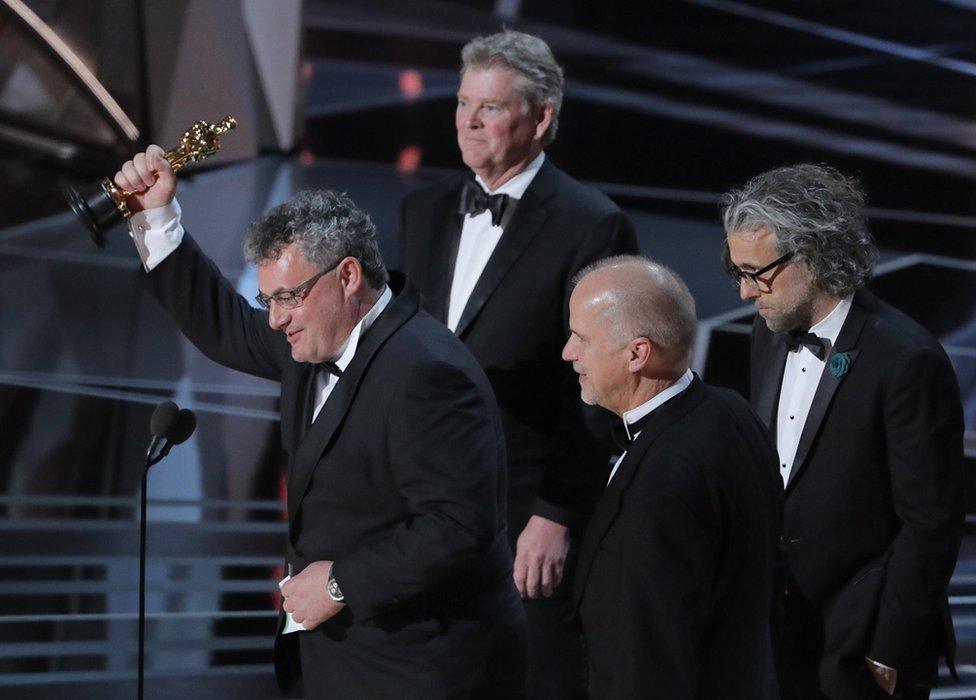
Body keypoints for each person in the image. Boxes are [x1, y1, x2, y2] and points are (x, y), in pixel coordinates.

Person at [113, 147, 526, 698]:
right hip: (340, 659)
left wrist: (337, 583)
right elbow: (224, 324)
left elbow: (456, 527)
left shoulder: (427, 374)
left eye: (287, 297)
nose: (276, 318)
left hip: (419, 668)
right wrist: (157, 217)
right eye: (267, 299)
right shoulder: (310, 339)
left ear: (348, 276)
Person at [399, 30, 638, 697]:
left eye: (491, 107)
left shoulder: (591, 224)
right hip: (426, 506)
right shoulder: (425, 210)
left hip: (526, 513)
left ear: (542, 118)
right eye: (463, 102)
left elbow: (599, 388)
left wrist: (555, 513)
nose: (469, 122)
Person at [724, 164, 965, 700]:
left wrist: (888, 647)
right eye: (735, 270)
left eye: (756, 272)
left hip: (864, 645)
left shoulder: (906, 359)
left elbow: (930, 524)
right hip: (780, 631)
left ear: (812, 256)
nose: (743, 292)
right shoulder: (768, 335)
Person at [562, 255, 782, 699]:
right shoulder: (730, 411)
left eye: (580, 337)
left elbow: (650, 653)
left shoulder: (659, 486)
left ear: (636, 354)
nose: (568, 352)